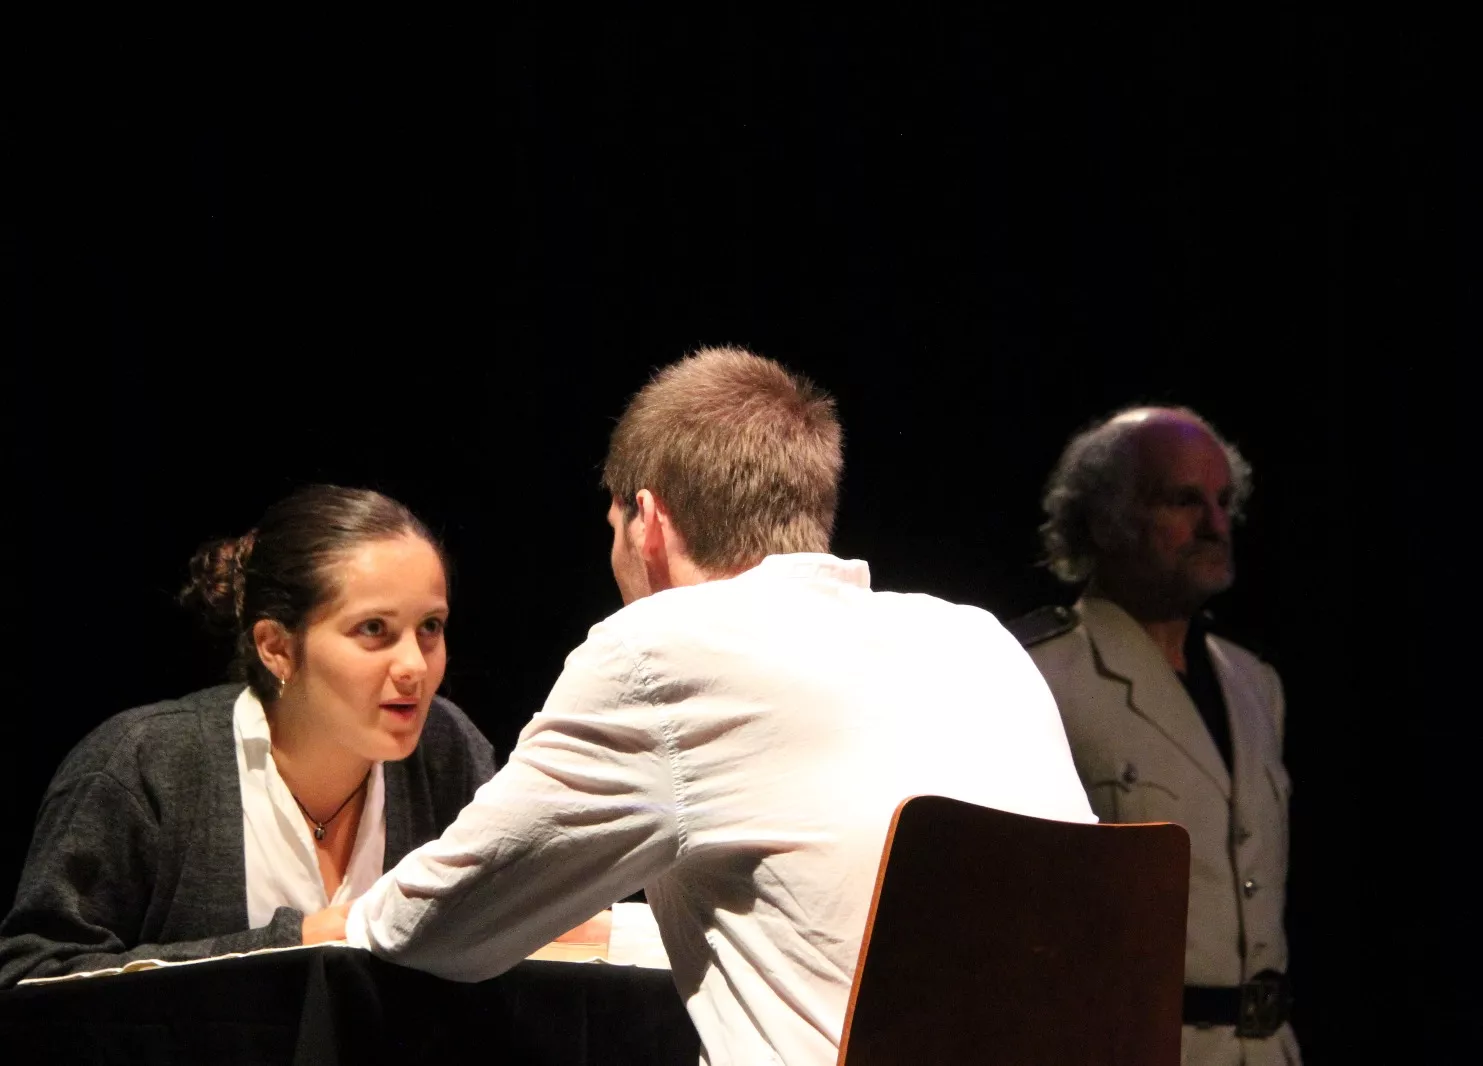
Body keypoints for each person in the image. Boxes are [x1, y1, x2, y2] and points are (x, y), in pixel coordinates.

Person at [345, 347, 1094, 1066]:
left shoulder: (661, 648)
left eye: (614, 531)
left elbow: (434, 926)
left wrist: (345, 918)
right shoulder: (980, 641)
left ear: (648, 521)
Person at [0, 486, 497, 987]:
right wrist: (288, 946)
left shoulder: (447, 750)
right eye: (373, 628)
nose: (414, 666)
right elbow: (31, 975)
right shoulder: (145, 765)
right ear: (276, 647)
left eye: (430, 626)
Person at [1008, 406, 1299, 1066]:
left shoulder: (1256, 685)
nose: (1216, 525)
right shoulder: (1040, 674)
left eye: (1223, 502)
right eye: (1184, 501)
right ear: (1104, 520)